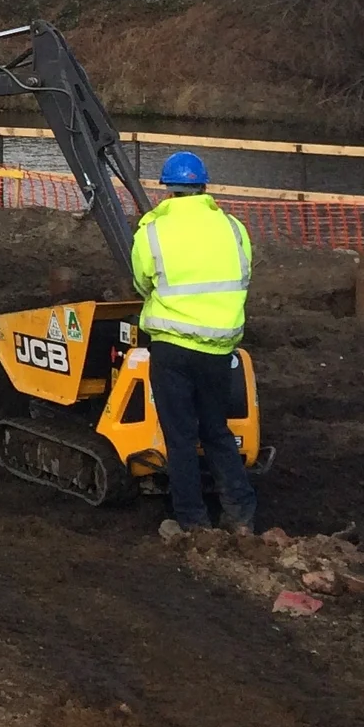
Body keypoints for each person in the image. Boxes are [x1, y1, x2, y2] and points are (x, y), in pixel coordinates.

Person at [132, 150, 257, 534]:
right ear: (204, 187)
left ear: (167, 190)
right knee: (216, 430)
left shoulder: (152, 230)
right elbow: (243, 277)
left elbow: (141, 282)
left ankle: (192, 523)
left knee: (181, 438)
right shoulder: (233, 228)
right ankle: (240, 515)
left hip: (171, 349)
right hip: (218, 349)